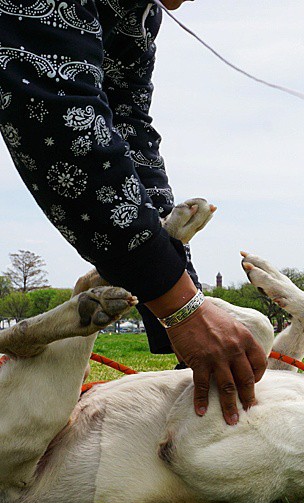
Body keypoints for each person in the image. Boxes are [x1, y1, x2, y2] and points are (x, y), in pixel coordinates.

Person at [0, 0, 267, 425]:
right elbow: (61, 118)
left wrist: (184, 299)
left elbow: (127, 129)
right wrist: (181, 308)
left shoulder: (139, 10)